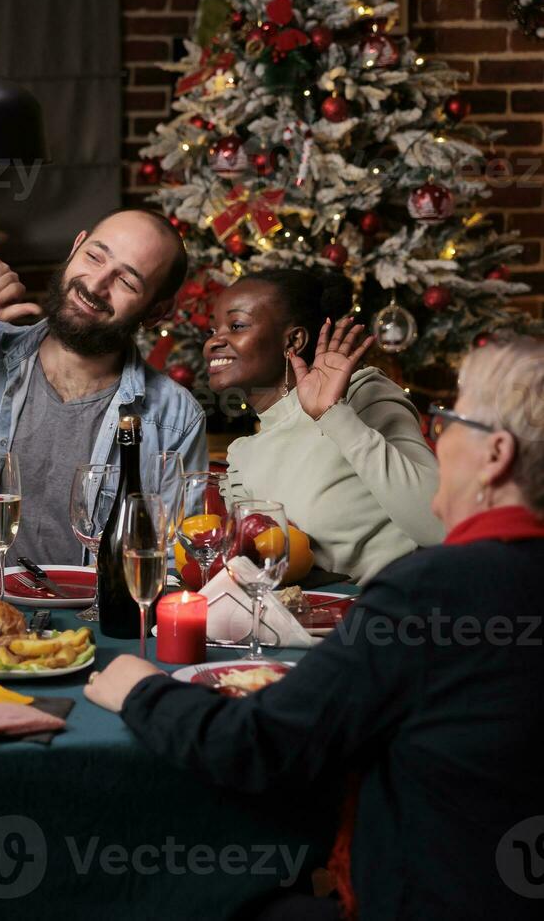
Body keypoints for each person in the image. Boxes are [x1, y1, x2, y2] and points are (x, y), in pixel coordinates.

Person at [85, 336, 544, 919]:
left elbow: (260, 747)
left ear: (496, 455)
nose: (435, 437)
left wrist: (140, 691)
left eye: (449, 418)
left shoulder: (427, 594)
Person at [0, 207, 207, 579]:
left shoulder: (175, 419)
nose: (95, 285)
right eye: (94, 256)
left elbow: (172, 565)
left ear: (156, 312)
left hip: (88, 631)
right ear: (76, 246)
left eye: (127, 282)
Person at [204, 269, 442, 582]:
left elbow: (439, 526)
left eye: (236, 326)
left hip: (397, 617)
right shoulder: (244, 455)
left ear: (294, 341)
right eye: (213, 329)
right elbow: (258, 577)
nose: (213, 342)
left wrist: (332, 413)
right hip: (303, 626)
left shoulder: (361, 394)